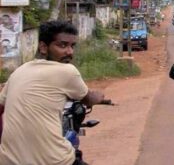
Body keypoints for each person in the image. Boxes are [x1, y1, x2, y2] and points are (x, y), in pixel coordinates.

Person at [0, 20, 105, 165]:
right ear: (43, 47)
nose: (70, 52)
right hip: (54, 161)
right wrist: (99, 96)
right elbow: (88, 99)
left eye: (72, 46)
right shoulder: (67, 71)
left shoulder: (20, 70)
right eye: (62, 45)